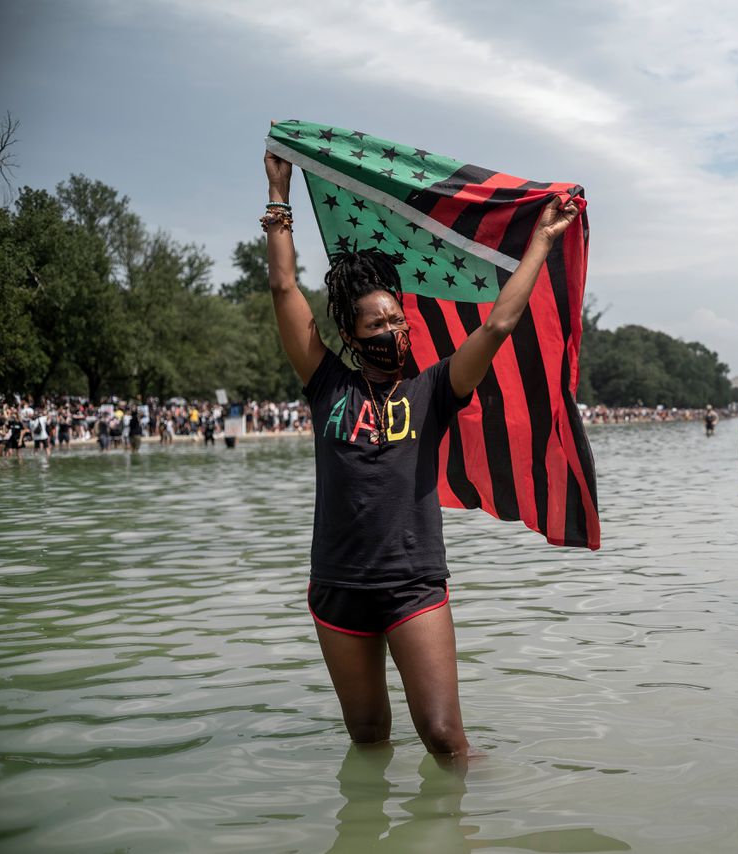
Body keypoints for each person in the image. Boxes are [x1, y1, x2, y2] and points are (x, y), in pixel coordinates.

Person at [263, 146, 579, 765]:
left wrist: (540, 241)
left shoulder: (433, 388)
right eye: (375, 325)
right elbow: (281, 287)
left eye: (396, 320)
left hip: (412, 586)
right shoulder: (327, 382)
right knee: (368, 740)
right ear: (350, 335)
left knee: (442, 736)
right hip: (337, 586)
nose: (391, 331)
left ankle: (474, 819)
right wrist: (279, 195)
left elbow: (495, 328)